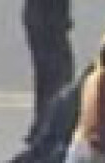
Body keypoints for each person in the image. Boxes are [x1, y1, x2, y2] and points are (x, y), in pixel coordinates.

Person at [23, 0, 74, 141]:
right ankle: (49, 128)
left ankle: (41, 124)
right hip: (49, 24)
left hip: (42, 20)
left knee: (46, 77)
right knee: (58, 77)